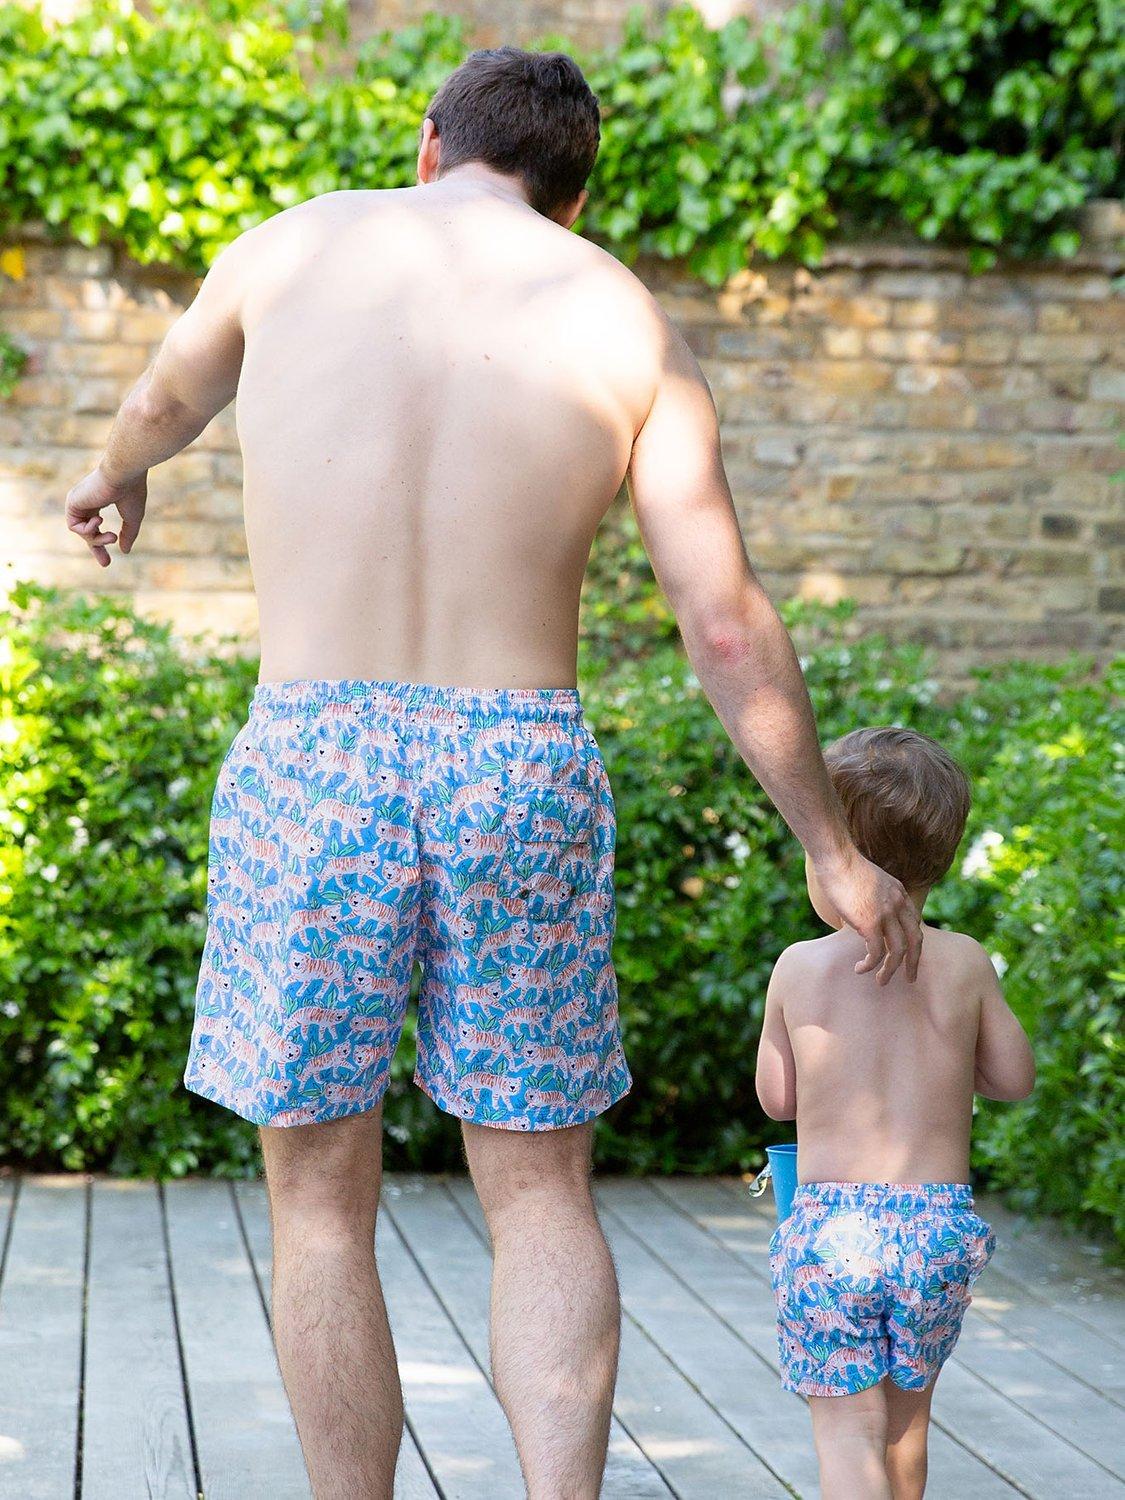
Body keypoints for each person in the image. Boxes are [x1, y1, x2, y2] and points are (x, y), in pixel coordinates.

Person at [65, 44, 923, 1500]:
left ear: (428, 143)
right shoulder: (621, 317)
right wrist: (830, 848)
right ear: (572, 196)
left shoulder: (284, 251)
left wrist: (113, 471)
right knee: (536, 1191)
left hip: (315, 758)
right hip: (516, 758)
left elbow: (162, 401)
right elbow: (722, 621)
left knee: (317, 1201)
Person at [756, 726, 1035, 1500]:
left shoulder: (798, 967)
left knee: (846, 1434)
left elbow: (777, 1100)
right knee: (905, 1430)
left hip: (831, 1234)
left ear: (838, 862)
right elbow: (1012, 1079)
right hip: (935, 1232)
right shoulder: (965, 962)